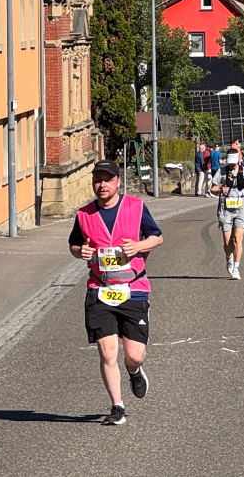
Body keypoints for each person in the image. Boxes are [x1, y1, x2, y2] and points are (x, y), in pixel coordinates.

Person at [68, 159, 163, 426]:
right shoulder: (84, 214)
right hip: (99, 290)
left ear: (117, 182)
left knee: (134, 355)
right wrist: (80, 251)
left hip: (133, 289)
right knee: (108, 352)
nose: (102, 185)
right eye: (97, 180)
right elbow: (74, 245)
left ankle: (134, 370)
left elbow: (157, 237)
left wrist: (139, 246)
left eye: (107, 180)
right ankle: (117, 406)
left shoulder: (136, 206)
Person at [210, 148, 244, 280]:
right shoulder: (222, 171)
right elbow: (212, 188)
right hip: (226, 207)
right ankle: (229, 256)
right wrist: (220, 190)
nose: (232, 165)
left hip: (241, 207)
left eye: (234, 163)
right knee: (228, 242)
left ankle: (236, 268)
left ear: (238, 160)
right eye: (230, 163)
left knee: (237, 239)